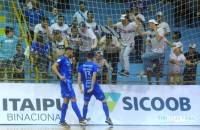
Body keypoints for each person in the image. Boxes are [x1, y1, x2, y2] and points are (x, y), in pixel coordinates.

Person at [52, 47, 87, 128]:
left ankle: (62, 121)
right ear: (69, 52)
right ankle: (81, 119)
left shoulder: (68, 60)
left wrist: (73, 64)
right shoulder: (62, 58)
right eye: (72, 52)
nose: (73, 54)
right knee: (73, 99)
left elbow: (68, 70)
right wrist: (60, 76)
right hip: (66, 82)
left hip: (68, 81)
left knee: (66, 101)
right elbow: (53, 66)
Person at [78, 52, 113, 125]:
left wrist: (81, 88)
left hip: (86, 87)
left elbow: (79, 78)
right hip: (95, 87)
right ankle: (107, 118)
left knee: (86, 103)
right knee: (103, 100)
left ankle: (83, 119)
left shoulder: (81, 67)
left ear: (86, 58)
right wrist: (92, 87)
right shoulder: (94, 66)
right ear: (93, 58)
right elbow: (94, 77)